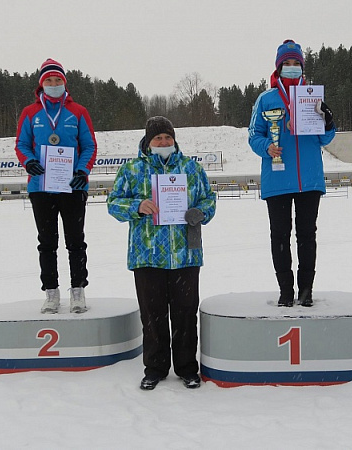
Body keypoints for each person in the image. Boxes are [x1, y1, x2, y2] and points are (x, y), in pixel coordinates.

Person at [107, 116, 216, 390]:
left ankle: (187, 368)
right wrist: (137, 206)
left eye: (168, 137)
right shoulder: (132, 169)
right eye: (158, 138)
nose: (164, 142)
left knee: (185, 314)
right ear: (148, 141)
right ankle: (155, 368)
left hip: (185, 255)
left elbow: (209, 198)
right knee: (152, 316)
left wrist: (200, 212)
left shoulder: (191, 168)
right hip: (147, 254)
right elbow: (113, 203)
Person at [248, 39, 336, 307]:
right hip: (278, 178)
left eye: (296, 63)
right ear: (278, 67)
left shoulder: (312, 96)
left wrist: (329, 121)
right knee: (280, 235)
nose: (291, 67)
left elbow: (325, 139)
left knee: (307, 235)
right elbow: (253, 136)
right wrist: (267, 147)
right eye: (287, 63)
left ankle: (306, 290)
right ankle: (286, 291)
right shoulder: (266, 99)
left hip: (309, 179)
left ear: (302, 66)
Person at [15, 58, 97, 314]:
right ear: (41, 84)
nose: (53, 84)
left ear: (64, 83)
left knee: (76, 241)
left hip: (72, 187)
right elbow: (21, 144)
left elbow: (90, 146)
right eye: (49, 80)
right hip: (41, 188)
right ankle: (51, 292)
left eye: (58, 80)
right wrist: (29, 162)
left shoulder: (78, 111)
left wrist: (82, 171)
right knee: (47, 243)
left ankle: (78, 290)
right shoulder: (30, 112)